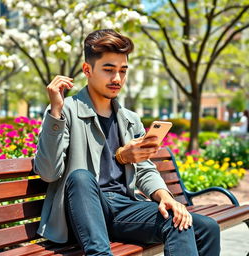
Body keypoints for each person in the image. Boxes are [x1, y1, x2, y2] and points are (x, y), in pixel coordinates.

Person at [34, 29, 220, 256]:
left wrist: (165, 198)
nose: (117, 79)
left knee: (201, 227)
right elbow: (49, 173)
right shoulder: (65, 111)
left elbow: (144, 169)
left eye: (123, 71)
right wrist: (55, 112)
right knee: (81, 176)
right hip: (84, 211)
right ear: (87, 70)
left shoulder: (130, 120)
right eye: (109, 70)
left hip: (124, 209)